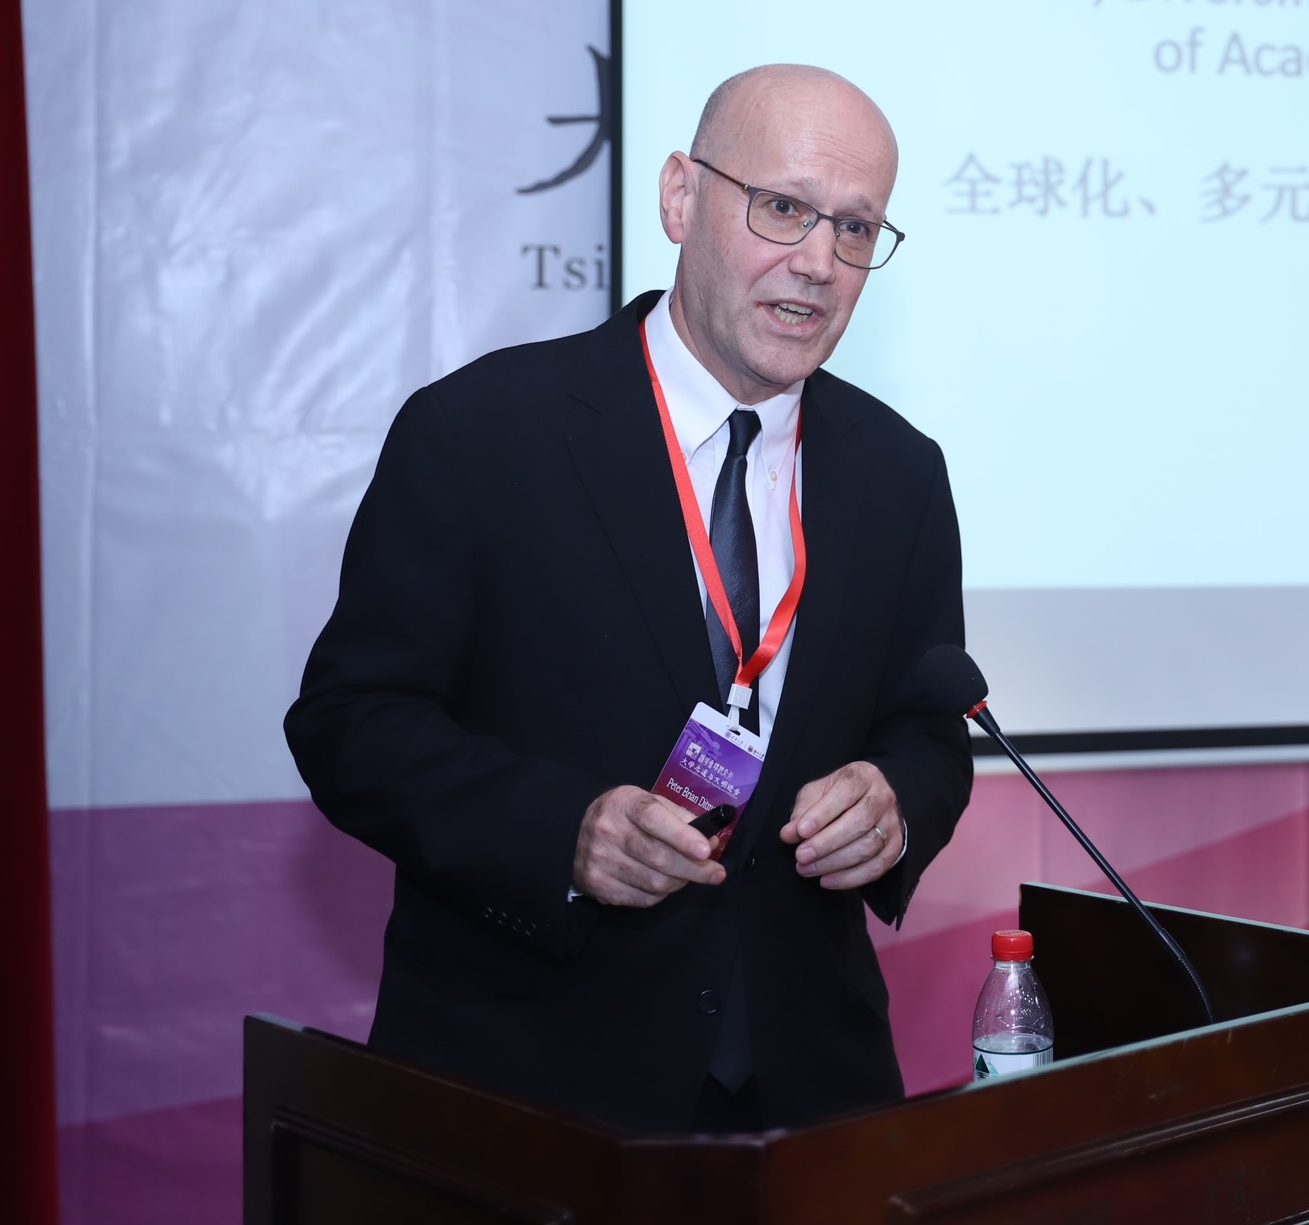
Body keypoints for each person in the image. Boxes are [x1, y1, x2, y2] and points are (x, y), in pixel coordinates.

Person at [285, 64, 971, 1134]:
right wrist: (562, 831)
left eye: (854, 228)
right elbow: (350, 725)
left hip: (810, 1096)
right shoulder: (483, 433)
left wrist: (895, 802)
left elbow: (931, 731)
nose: (818, 262)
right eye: (783, 208)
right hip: (534, 1092)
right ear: (680, 198)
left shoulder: (899, 473)